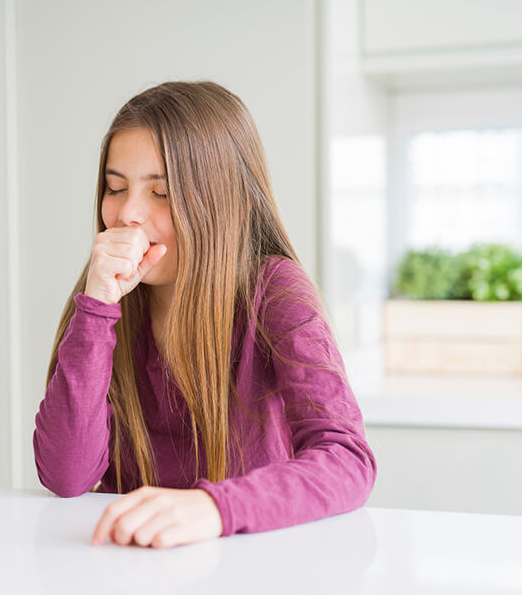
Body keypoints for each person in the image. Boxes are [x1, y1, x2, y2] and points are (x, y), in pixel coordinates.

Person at [33, 80, 377, 549]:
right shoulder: (104, 299)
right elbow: (66, 475)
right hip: (130, 566)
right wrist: (95, 312)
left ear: (228, 205)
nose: (127, 213)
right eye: (115, 188)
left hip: (248, 561)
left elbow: (347, 460)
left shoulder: (274, 291)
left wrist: (214, 507)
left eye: (162, 193)